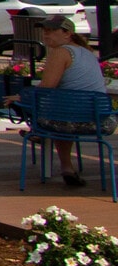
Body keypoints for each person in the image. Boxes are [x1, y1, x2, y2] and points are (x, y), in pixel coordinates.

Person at [33, 14, 116, 188]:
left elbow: (47, 86)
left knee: (50, 114)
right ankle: (65, 166)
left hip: (72, 121)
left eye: (52, 30)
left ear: (67, 33)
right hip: (101, 121)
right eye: (44, 31)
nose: (46, 35)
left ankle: (39, 133)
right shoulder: (87, 53)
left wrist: (19, 97)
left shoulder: (60, 52)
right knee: (62, 112)